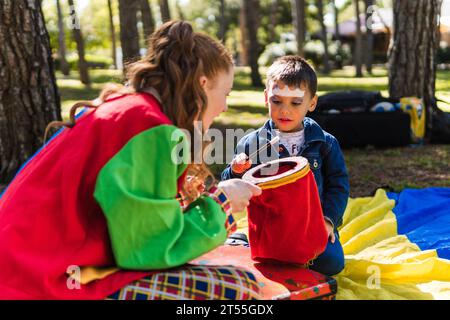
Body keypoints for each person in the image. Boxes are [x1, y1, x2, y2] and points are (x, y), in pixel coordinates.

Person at [0, 21, 262, 300]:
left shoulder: (127, 111)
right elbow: (151, 249)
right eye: (226, 93)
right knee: (236, 288)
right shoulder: (148, 127)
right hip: (41, 281)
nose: (224, 106)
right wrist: (222, 203)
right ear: (203, 84)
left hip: (29, 269)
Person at [222, 56, 349, 276]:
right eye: (277, 101)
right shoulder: (251, 143)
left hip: (311, 225)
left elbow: (338, 186)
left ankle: (278, 254)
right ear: (266, 98)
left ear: (312, 102)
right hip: (269, 227)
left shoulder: (325, 143)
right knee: (263, 257)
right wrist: (236, 170)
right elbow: (226, 183)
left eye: (295, 103)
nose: (285, 110)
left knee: (332, 263)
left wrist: (328, 221)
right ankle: (244, 241)